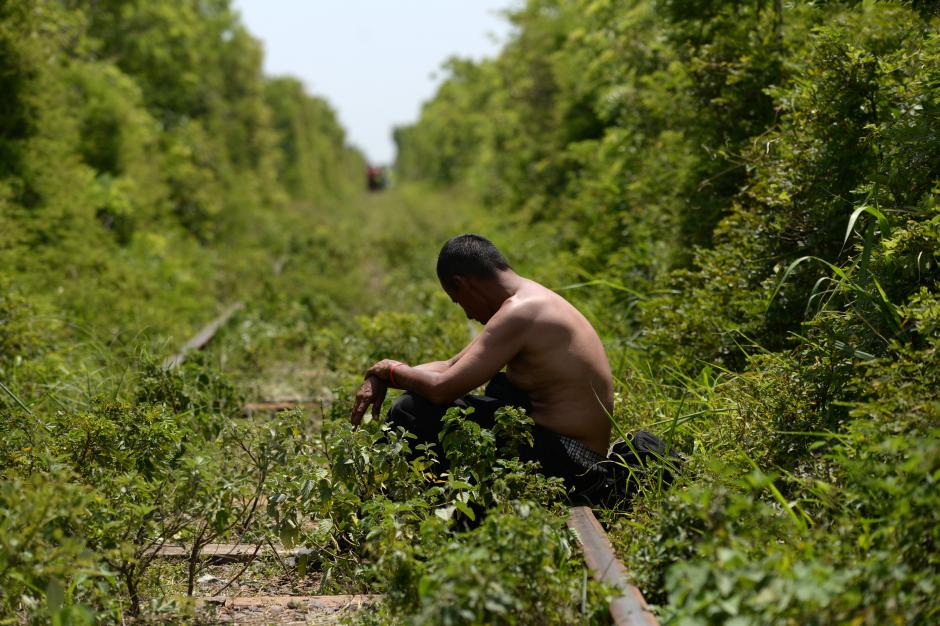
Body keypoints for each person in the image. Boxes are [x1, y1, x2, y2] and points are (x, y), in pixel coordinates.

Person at [349, 233, 615, 502]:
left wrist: (390, 370)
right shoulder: (530, 299)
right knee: (454, 400)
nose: (467, 314)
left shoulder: (522, 311)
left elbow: (442, 389)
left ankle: (387, 503)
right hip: (559, 448)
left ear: (462, 284)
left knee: (413, 410)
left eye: (457, 300)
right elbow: (451, 365)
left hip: (574, 463)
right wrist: (382, 375)